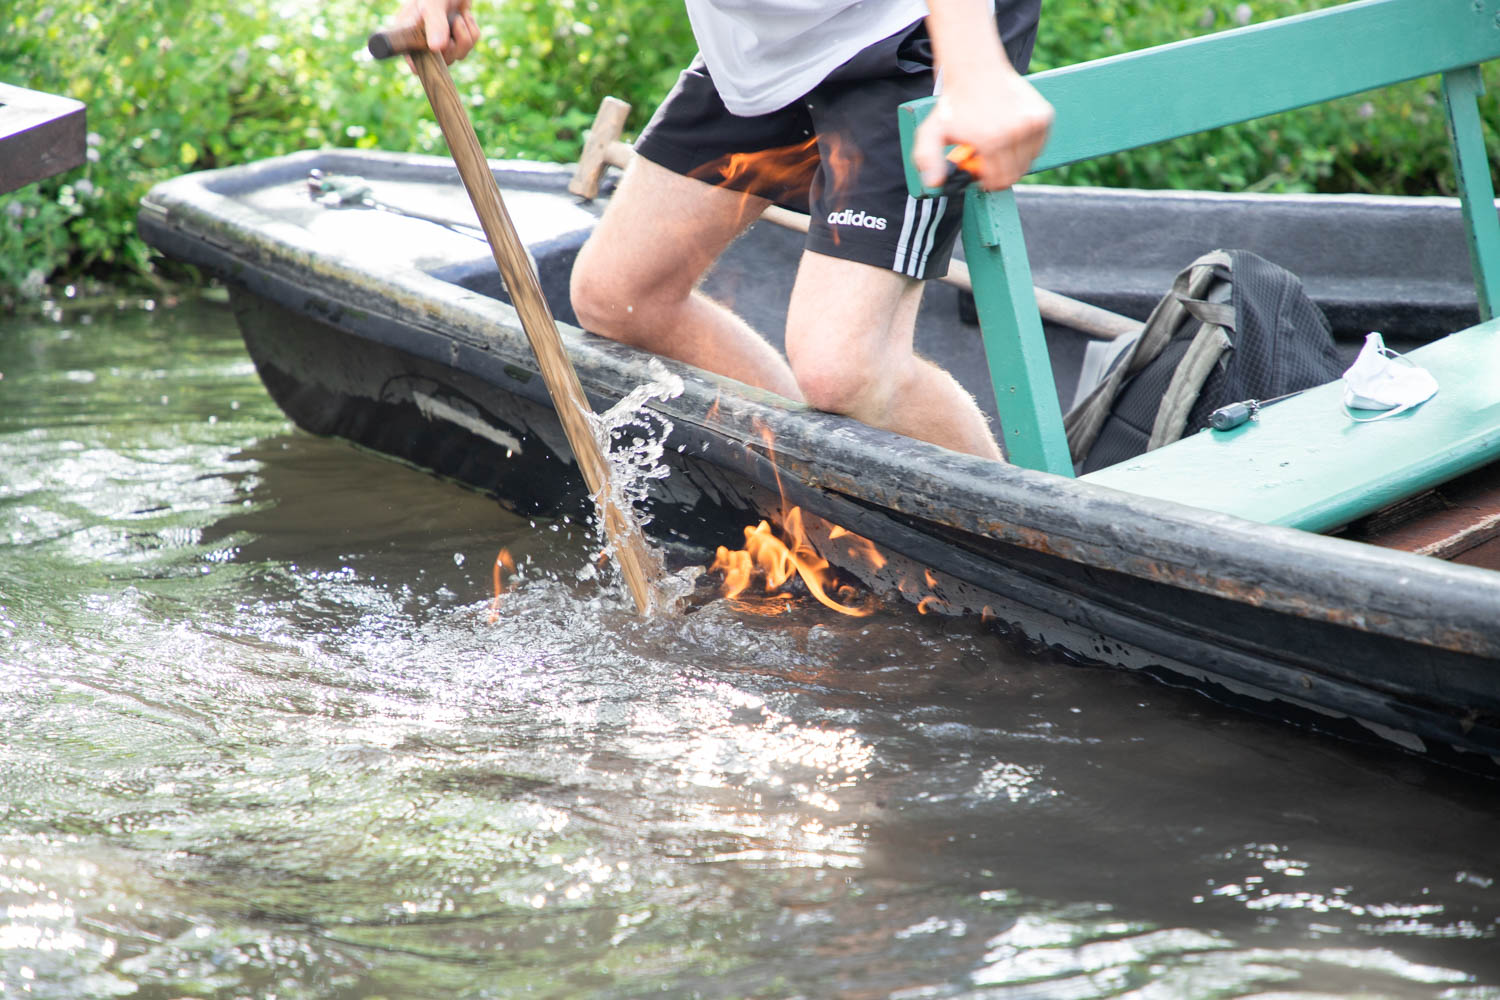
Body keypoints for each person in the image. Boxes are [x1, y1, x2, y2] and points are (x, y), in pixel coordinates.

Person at [398, 0, 1052, 461]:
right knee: (619, 294)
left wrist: (974, 68)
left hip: (912, 31)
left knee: (845, 370)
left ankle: (1019, 558)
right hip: (766, 49)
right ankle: (828, 485)